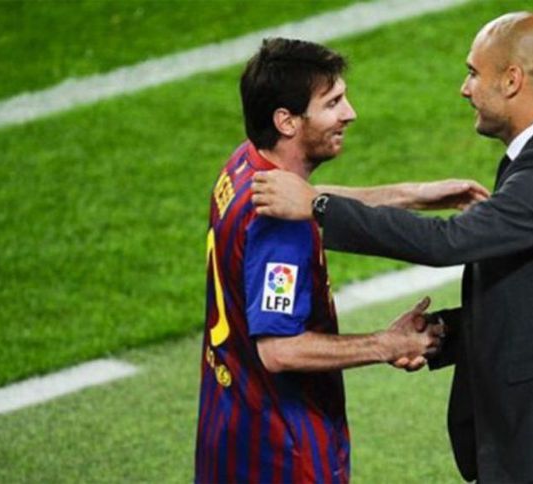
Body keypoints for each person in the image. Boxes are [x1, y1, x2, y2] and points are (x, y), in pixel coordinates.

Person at [251, 12, 533, 483]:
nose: (464, 88)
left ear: (512, 80)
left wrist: (318, 206)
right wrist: (440, 335)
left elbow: (445, 242)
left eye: (474, 73)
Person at [194, 37, 485, 483]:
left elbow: (310, 199)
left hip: (229, 427)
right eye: (332, 103)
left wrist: (413, 195)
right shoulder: (281, 224)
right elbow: (280, 350)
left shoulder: (245, 166)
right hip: (283, 452)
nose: (350, 113)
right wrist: (386, 344)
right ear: (286, 121)